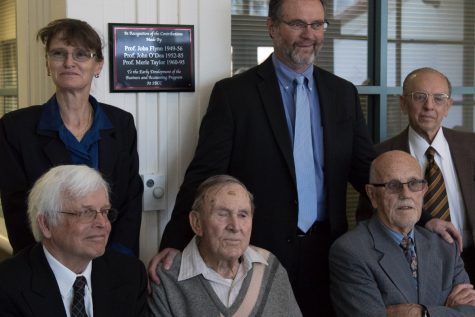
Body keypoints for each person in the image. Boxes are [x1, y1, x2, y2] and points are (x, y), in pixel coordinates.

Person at [148, 1, 460, 315]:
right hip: (257, 253)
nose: (308, 34)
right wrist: (174, 241)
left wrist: (423, 218)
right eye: (297, 24)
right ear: (272, 27)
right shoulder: (234, 95)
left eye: (317, 24)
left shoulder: (342, 94)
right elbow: (205, 176)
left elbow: (372, 173)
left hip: (329, 251)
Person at [0, 18, 143, 256]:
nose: (69, 63)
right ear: (47, 64)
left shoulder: (121, 123)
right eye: (58, 53)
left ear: (98, 65)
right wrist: (40, 266)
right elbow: (17, 209)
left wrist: (118, 260)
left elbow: (130, 198)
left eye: (81, 54)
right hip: (46, 263)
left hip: (109, 260)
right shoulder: (15, 128)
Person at [356, 67, 475, 281]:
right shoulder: (380, 156)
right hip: (413, 271)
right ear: (403, 103)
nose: (429, 106)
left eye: (439, 98)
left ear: (448, 106)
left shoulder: (472, 147)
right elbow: (367, 219)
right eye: (420, 97)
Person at [330, 151, 475, 317]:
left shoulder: (445, 247)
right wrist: (447, 310)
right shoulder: (350, 252)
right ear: (372, 195)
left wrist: (422, 313)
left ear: (424, 190)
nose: (406, 194)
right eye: (393, 185)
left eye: (414, 183)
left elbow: (470, 312)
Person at [0, 165, 147, 316]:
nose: (102, 223)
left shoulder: (130, 275)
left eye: (105, 212)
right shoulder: (7, 286)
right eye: (86, 213)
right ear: (46, 224)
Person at [148, 175, 302, 316]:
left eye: (243, 215)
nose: (235, 226)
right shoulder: (167, 280)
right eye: (222, 214)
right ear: (196, 223)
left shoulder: (271, 267)